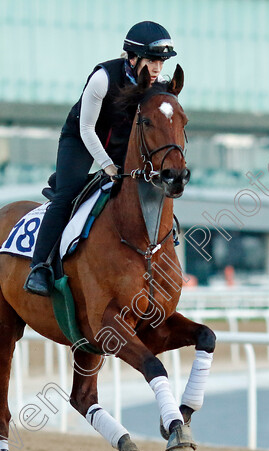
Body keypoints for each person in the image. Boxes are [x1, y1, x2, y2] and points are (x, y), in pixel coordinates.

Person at [23, 21, 177, 296]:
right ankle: (39, 268)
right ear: (132, 57)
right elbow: (86, 129)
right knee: (65, 197)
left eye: (161, 63)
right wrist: (106, 166)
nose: (157, 70)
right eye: (153, 61)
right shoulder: (103, 78)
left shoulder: (157, 86)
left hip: (120, 142)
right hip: (81, 138)